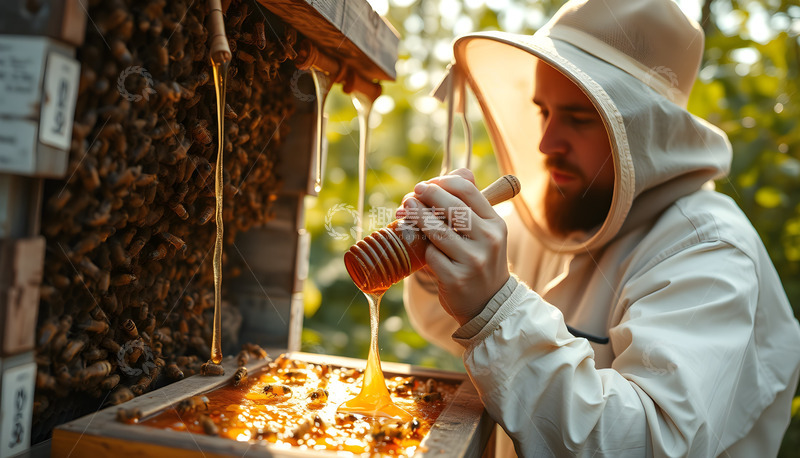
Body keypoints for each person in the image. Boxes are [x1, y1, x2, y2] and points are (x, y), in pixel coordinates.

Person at [398, 0, 800, 456]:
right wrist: (440, 268)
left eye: (578, 118)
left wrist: (495, 307)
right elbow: (462, 335)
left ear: (644, 129)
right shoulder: (565, 211)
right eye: (543, 111)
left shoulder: (709, 251)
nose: (546, 142)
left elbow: (644, 442)